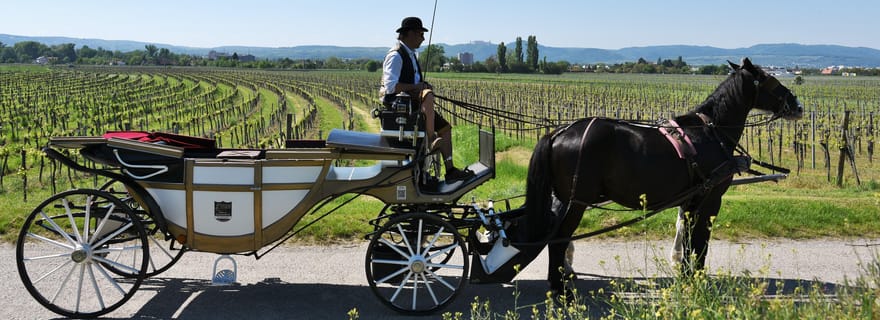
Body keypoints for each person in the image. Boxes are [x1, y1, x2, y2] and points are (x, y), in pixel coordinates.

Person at [380, 16, 474, 182]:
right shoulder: (396, 55)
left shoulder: (410, 54)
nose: (423, 38)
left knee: (445, 128)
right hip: (401, 105)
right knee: (428, 94)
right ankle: (431, 139)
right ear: (408, 34)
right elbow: (390, 87)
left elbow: (414, 83)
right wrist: (417, 87)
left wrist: (421, 84)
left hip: (416, 103)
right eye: (419, 34)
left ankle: (450, 170)